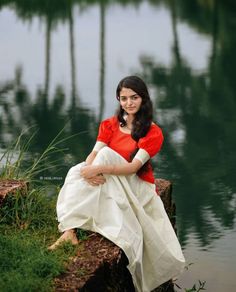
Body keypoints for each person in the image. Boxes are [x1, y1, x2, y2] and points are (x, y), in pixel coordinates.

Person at [49, 76, 185, 292]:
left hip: (136, 184)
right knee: (76, 171)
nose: (129, 103)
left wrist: (98, 168)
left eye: (134, 97)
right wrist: (88, 171)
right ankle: (70, 231)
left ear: (144, 99)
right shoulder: (110, 125)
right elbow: (94, 153)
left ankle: (72, 228)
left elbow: (132, 167)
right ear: (118, 99)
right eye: (124, 98)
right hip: (109, 173)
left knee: (105, 155)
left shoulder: (153, 132)